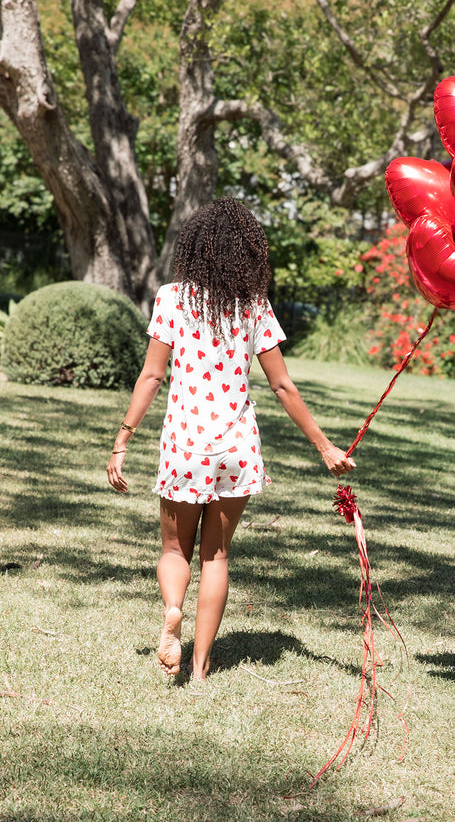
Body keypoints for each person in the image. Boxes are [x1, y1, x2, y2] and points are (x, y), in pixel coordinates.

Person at [106, 198, 355, 682]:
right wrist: (326, 447)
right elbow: (283, 386)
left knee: (175, 552)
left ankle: (173, 610)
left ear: (196, 247)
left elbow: (152, 377)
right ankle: (200, 671)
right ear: (247, 252)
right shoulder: (254, 306)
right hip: (237, 448)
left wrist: (123, 439)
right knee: (216, 556)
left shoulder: (173, 298)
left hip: (185, 443)